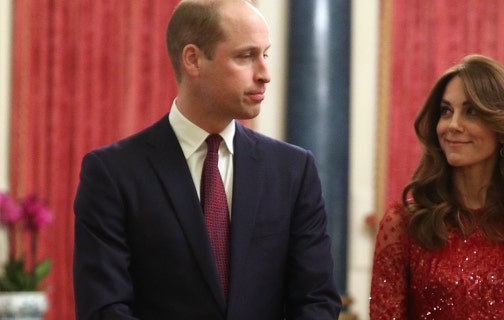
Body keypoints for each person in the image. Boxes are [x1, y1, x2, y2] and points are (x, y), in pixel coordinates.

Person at [73, 0, 341, 319]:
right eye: (246, 56)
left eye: (265, 54)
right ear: (193, 60)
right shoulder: (112, 173)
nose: (265, 74)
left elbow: (316, 301)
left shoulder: (294, 170)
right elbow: (104, 308)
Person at [369, 54, 504, 319]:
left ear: (502, 128)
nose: (453, 125)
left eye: (471, 112)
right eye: (446, 111)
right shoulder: (404, 225)